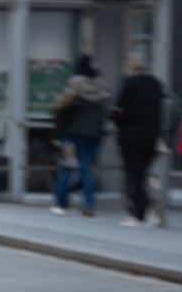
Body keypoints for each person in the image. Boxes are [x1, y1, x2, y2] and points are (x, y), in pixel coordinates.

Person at [50, 55, 109, 217]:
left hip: (72, 133)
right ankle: (89, 204)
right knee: (87, 168)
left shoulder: (75, 84)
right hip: (94, 134)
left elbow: (61, 106)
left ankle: (61, 203)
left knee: (67, 167)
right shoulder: (102, 87)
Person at [111, 55, 164, 227]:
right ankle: (152, 210)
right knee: (144, 173)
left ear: (131, 67)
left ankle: (138, 213)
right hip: (151, 136)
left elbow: (118, 110)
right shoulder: (156, 84)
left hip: (131, 136)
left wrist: (117, 121)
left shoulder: (129, 83)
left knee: (134, 175)